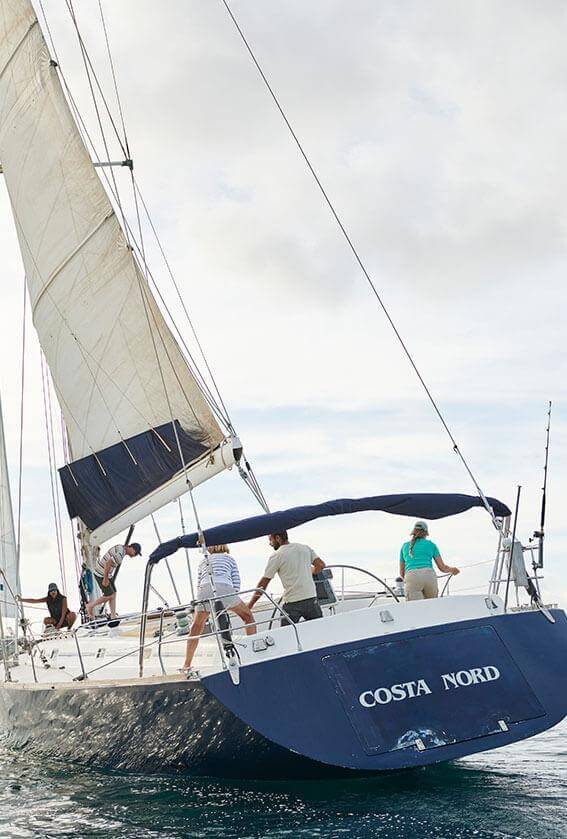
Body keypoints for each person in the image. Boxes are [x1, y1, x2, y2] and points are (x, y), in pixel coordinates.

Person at [182, 545, 255, 674]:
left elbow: (199, 584)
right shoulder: (229, 559)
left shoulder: (203, 561)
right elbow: (236, 581)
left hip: (204, 589)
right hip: (225, 587)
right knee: (248, 617)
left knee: (196, 626)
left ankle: (186, 664)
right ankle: (253, 652)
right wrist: (230, 601)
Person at [248, 532, 325, 626]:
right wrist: (310, 571)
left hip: (292, 604)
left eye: (270, 540)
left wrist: (250, 605)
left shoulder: (277, 555)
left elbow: (263, 583)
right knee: (319, 630)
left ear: (277, 538)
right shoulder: (304, 548)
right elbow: (320, 565)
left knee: (287, 635)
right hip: (311, 599)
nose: (270, 543)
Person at [399, 521, 459, 601]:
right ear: (426, 533)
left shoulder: (404, 546)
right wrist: (453, 570)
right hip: (429, 576)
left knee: (415, 609)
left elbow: (402, 573)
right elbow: (442, 568)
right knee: (431, 607)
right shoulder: (431, 545)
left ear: (413, 531)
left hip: (412, 576)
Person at [86, 542, 142, 619]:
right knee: (109, 595)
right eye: (136, 553)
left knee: (114, 593)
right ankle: (90, 606)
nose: (135, 555)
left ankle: (113, 616)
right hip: (101, 574)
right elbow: (108, 563)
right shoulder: (120, 555)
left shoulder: (120, 547)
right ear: (132, 548)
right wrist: (105, 579)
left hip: (107, 574)